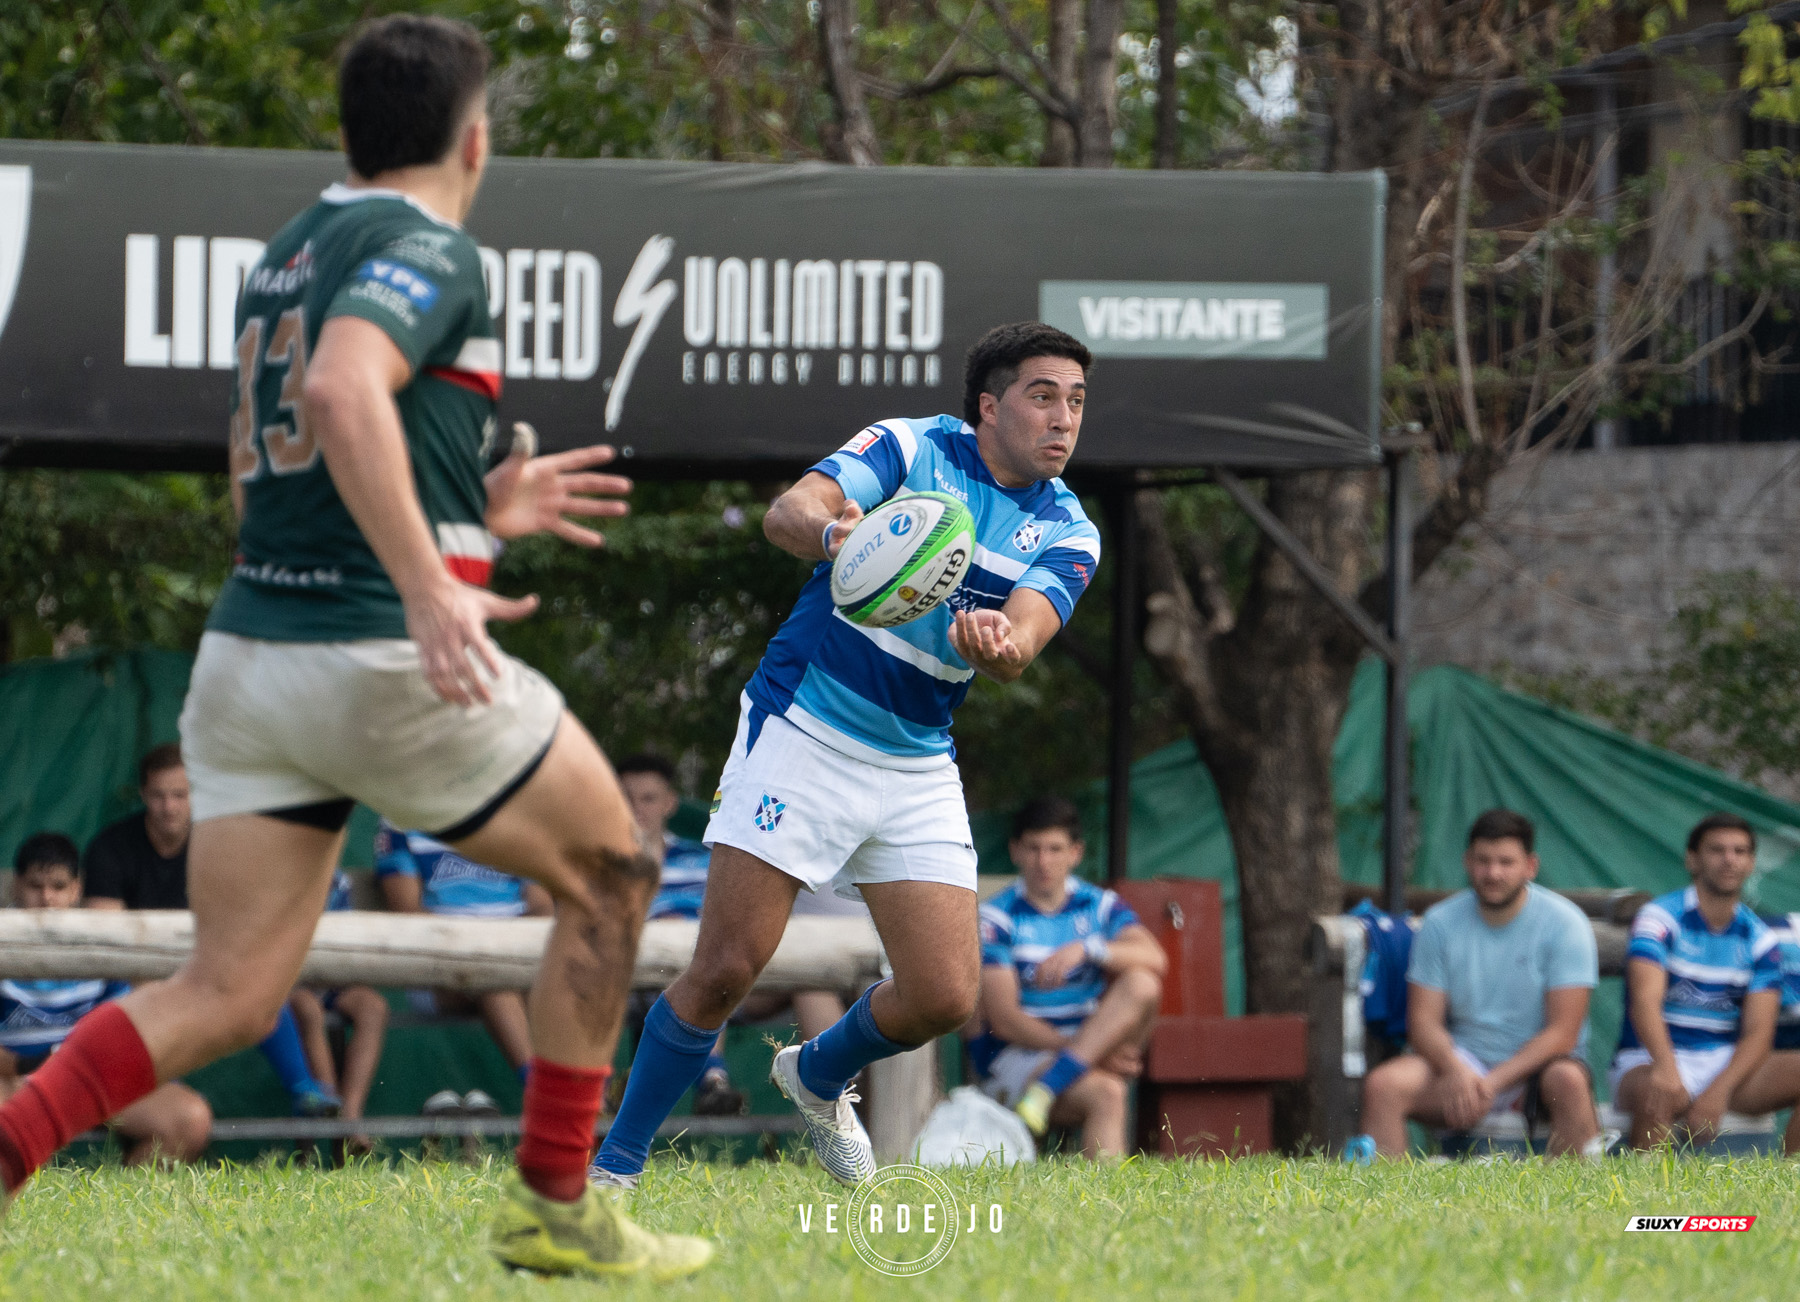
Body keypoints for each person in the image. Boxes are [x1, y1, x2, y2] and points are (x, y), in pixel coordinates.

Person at [0, 16, 708, 1281]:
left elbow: (261, 480)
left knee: (227, 991)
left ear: (345, 134)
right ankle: (557, 1206)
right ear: (476, 139)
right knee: (610, 872)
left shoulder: (286, 254)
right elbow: (340, 391)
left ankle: (5, 1146)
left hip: (250, 666)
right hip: (376, 659)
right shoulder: (430, 242)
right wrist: (434, 580)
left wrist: (472, 512)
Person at [591, 320, 1103, 1188]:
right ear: (988, 406)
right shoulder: (911, 447)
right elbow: (789, 513)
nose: (1065, 419)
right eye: (1043, 395)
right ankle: (613, 1168)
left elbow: (1022, 642)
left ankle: (817, 1072)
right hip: (805, 729)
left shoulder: (1070, 529)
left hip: (915, 759)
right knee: (723, 969)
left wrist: (996, 645)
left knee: (946, 994)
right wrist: (845, 540)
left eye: (1078, 402)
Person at [86, 743, 342, 1119]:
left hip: (204, 974)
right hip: (129, 980)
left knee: (263, 990)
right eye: (158, 796)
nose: (168, 807)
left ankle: (306, 1091)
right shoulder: (110, 847)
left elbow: (243, 929)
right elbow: (104, 943)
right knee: (122, 1002)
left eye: (179, 795)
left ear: (197, 794)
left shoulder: (219, 847)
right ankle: (161, 1093)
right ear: (143, 795)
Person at [1356, 809, 1602, 1158]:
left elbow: (1563, 1034)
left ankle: (1584, 1202)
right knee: (1384, 1086)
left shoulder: (1566, 924)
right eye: (1483, 861)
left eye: (1506, 861)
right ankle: (1384, 1205)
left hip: (1538, 1071)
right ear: (1467, 862)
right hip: (1463, 1063)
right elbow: (1422, 1023)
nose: (1493, 873)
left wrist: (1490, 1083)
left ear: (1530, 866)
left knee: (1570, 1081)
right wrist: (1456, 1069)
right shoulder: (1440, 923)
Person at [2, 834, 212, 1168]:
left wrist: (81, 1067)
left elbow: (126, 1027)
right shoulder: (3, 940)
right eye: (34, 885)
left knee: (188, 1119)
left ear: (76, 889)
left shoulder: (101, 942)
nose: (46, 898)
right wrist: (36, 1064)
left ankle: (120, 1208)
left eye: (58, 886)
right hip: (15, 1083)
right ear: (16, 885)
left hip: (90, 1079)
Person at [970, 798, 1165, 1157]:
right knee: (1108, 1092)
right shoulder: (995, 917)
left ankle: (1047, 1088)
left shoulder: (1099, 905)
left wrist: (1090, 948)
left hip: (1082, 1051)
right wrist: (1088, 1054)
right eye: (1033, 848)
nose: (1044, 862)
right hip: (1018, 1057)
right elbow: (1005, 1021)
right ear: (1015, 851)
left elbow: (1155, 958)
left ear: (1075, 853)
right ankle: (1110, 1209)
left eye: (1055, 849)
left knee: (1143, 982)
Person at [1612, 813, 1791, 1150]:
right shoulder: (1659, 918)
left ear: (1751, 862)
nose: (1729, 860)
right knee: (1658, 1089)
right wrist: (1666, 1069)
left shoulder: (1760, 938)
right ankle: (1645, 1197)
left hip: (1722, 1063)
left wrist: (1718, 1093)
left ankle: (1791, 1190)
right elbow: (1644, 1004)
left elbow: (1759, 1034)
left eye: (1739, 851)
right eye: (1717, 850)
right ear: (1692, 859)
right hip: (1647, 1056)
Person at [375, 819, 545, 1081]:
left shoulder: (515, 814)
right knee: (494, 980)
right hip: (438, 968)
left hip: (518, 956)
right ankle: (544, 1094)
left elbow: (542, 907)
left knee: (566, 985)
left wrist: (508, 949)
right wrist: (484, 950)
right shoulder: (399, 821)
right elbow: (407, 912)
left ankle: (587, 1096)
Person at [288, 869, 389, 1155]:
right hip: (290, 984)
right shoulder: (276, 878)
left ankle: (350, 1115)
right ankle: (329, 1105)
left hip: (334, 980)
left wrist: (338, 971)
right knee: (308, 1008)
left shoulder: (338, 881)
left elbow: (347, 944)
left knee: (374, 1007)